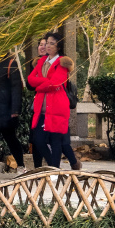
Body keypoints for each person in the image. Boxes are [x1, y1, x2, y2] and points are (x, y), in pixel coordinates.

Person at [29, 37, 81, 170]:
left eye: (52, 44)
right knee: (38, 141)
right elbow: (30, 79)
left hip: (57, 107)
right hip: (42, 108)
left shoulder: (62, 63)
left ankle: (54, 170)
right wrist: (44, 84)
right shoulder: (40, 61)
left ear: (58, 47)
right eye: (47, 43)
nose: (48, 46)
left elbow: (54, 83)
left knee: (57, 141)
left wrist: (39, 85)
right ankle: (53, 167)